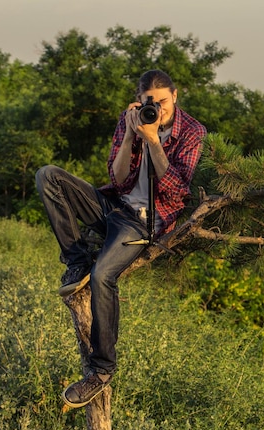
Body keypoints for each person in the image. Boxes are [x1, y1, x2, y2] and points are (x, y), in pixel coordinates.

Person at [36, 69, 207, 408]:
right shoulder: (130, 119)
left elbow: (176, 191)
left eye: (162, 101)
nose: (156, 108)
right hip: (115, 205)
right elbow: (116, 177)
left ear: (175, 96)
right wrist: (131, 135)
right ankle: (76, 259)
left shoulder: (192, 132)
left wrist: (154, 139)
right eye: (149, 102)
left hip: (145, 222)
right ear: (139, 99)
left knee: (103, 276)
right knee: (48, 176)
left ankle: (101, 372)